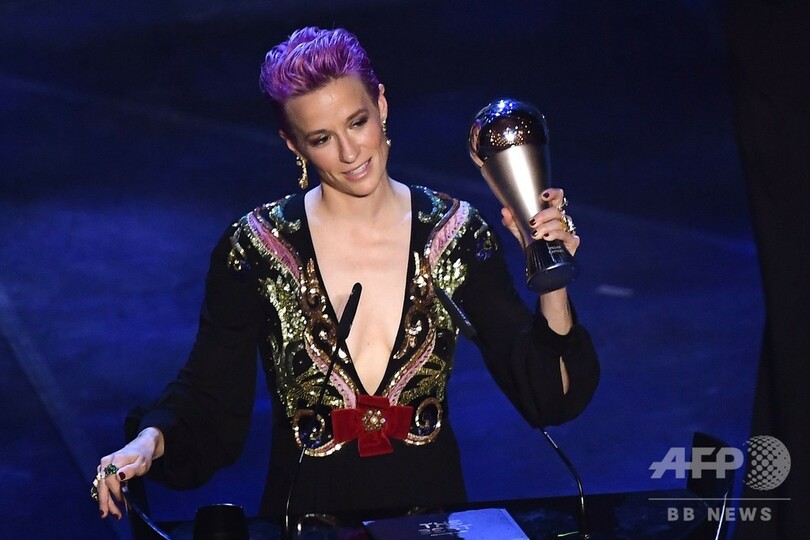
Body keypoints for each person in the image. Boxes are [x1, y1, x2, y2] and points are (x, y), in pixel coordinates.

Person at [91, 26, 599, 524]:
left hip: (431, 514)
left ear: (381, 105)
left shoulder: (456, 233)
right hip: (306, 516)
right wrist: (148, 442)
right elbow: (209, 393)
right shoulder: (256, 248)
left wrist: (550, 272)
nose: (350, 153)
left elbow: (549, 397)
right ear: (294, 144)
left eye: (357, 122)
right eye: (322, 138)